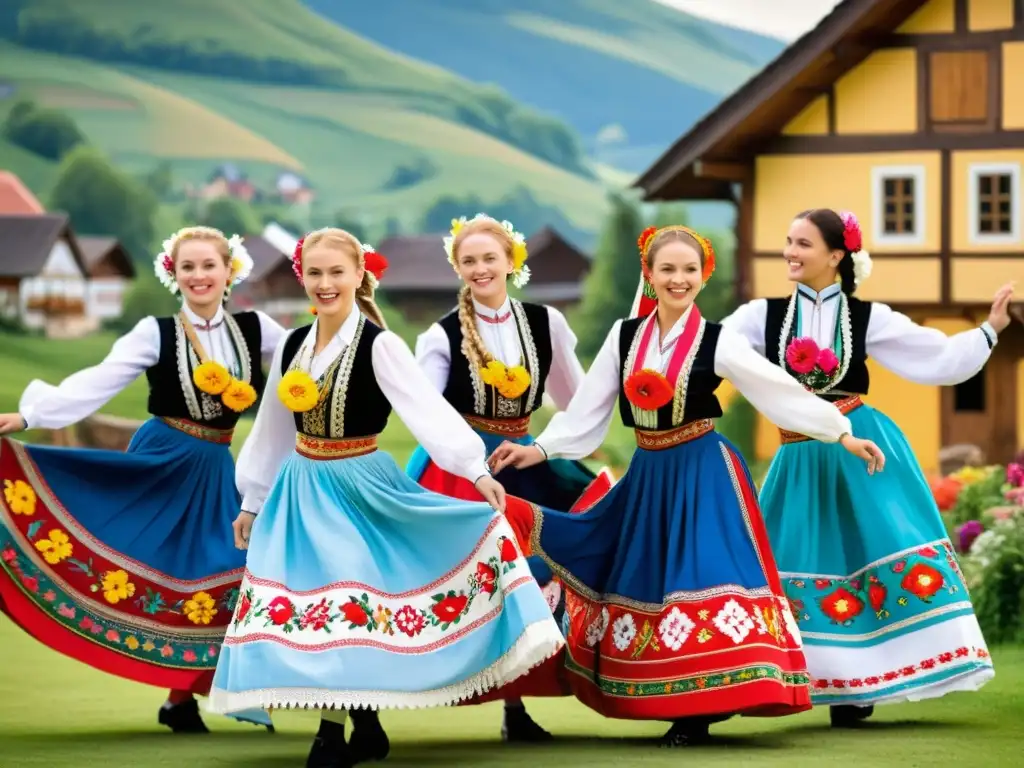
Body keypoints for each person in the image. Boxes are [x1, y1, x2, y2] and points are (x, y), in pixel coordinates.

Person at [489, 224, 885, 747]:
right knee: (652, 580)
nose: (679, 279)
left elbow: (778, 391)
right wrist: (538, 449)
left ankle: (700, 711)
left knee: (700, 578)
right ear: (650, 275)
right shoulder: (625, 336)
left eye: (690, 270)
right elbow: (587, 411)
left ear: (704, 275)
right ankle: (681, 699)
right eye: (668, 269)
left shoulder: (719, 339)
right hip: (650, 475)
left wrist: (841, 433)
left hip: (704, 473)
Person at [207, 228, 564, 768]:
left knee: (347, 605)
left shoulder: (380, 345)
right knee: (316, 608)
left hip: (361, 486)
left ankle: (331, 735)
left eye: (336, 272)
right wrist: (252, 500)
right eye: (315, 273)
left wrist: (473, 469)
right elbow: (272, 430)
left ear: (358, 275)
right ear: (302, 277)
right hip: (302, 488)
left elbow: (427, 411)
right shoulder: (293, 345)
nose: (325, 283)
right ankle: (367, 726)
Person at [720, 209, 1007, 726]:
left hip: (862, 447)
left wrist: (989, 329)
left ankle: (862, 686)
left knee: (867, 553)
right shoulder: (760, 316)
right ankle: (796, 677)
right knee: (793, 557)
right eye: (788, 241)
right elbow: (713, 346)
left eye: (803, 243)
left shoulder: (867, 317)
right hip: (801, 454)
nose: (790, 252)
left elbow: (936, 356)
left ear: (835, 255)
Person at [0, 226, 284, 732]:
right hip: (163, 461)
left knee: (230, 572)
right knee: (155, 566)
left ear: (229, 271)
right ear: (174, 274)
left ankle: (181, 698)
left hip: (215, 466)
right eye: (188, 267)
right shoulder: (156, 332)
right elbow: (101, 380)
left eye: (209, 265)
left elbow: (310, 357)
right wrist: (30, 415)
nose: (199, 275)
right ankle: (180, 694)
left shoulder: (257, 328)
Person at [408, 213, 613, 740]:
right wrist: (467, 461)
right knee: (471, 580)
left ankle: (523, 703)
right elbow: (427, 414)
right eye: (469, 261)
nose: (480, 268)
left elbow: (578, 402)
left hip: (524, 460)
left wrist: (549, 449)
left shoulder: (547, 324)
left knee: (540, 570)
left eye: (489, 258)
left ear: (511, 261)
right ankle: (397, 699)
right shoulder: (440, 336)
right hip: (461, 468)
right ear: (458, 267)